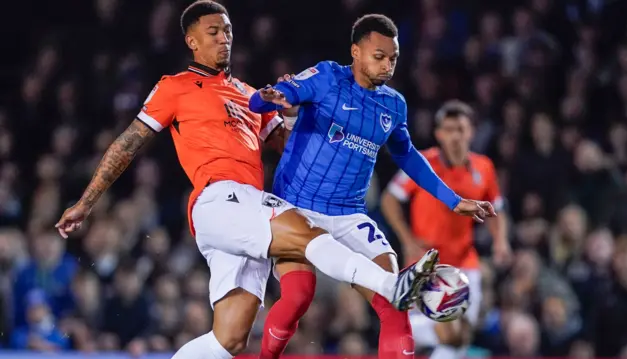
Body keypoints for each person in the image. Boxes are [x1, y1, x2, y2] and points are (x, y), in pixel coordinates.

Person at [54, 2, 440, 358]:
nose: (224, 38)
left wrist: (309, 112)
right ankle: (391, 286)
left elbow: (290, 144)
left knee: (231, 338)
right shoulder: (175, 87)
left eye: (227, 30)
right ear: (191, 40)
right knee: (308, 234)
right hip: (220, 198)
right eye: (213, 32)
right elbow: (128, 143)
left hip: (245, 213)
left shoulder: (248, 94)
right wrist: (86, 203)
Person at [248, 15, 497, 359]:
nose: (387, 65)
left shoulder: (393, 104)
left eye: (393, 58)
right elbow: (264, 101)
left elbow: (407, 155)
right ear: (356, 51)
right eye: (379, 56)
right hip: (296, 209)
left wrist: (453, 201)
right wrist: (270, 97)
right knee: (298, 297)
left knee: (394, 303)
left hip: (349, 215)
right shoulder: (326, 77)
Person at [380, 100, 512, 359]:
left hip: (464, 261)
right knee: (446, 335)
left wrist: (501, 241)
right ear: (438, 133)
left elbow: (497, 209)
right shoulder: (421, 163)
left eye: (461, 129)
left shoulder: (484, 167)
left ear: (471, 132)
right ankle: (403, 330)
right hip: (425, 263)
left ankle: (407, 332)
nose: (455, 136)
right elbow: (389, 199)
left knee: (462, 334)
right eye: (449, 129)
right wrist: (407, 240)